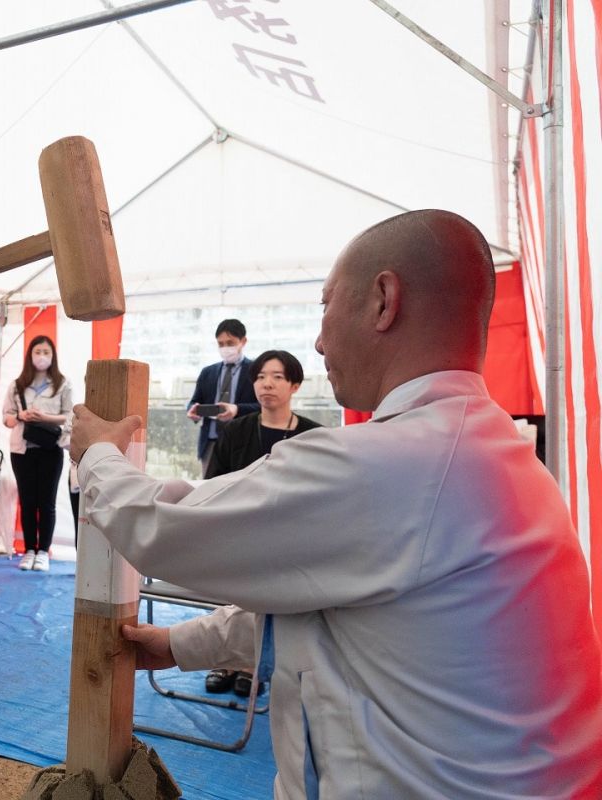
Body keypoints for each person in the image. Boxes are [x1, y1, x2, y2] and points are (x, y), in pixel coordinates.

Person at [70, 210, 602, 797]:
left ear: (383, 300)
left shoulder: (389, 462)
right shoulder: (493, 452)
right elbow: (328, 607)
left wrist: (97, 455)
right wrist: (179, 645)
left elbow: (165, 527)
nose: (319, 339)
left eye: (326, 305)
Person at [201, 349, 322, 696]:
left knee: (265, 601)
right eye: (260, 377)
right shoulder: (235, 431)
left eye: (278, 377)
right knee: (227, 596)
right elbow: (214, 483)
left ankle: (251, 664)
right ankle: (223, 659)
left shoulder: (312, 436)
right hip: (236, 533)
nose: (267, 384)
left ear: (295, 385)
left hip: (286, 540)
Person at [2, 336, 72, 572]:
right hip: (22, 450)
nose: (42, 356)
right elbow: (7, 418)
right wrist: (22, 416)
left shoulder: (62, 383)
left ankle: (43, 551)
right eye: (37, 351)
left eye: (46, 352)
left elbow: (69, 415)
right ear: (30, 355)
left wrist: (44, 417)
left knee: (47, 502)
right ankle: (29, 550)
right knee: (28, 501)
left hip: (51, 449)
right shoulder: (17, 385)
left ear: (53, 356)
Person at [186, 319, 258, 473]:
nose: (225, 348)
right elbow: (194, 401)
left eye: (230, 343)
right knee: (209, 489)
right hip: (211, 443)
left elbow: (262, 406)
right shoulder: (208, 372)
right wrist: (193, 411)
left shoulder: (256, 370)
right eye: (221, 344)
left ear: (243, 341)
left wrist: (236, 409)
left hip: (243, 443)